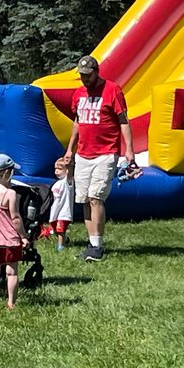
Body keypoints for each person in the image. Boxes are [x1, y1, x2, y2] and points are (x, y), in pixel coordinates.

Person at [63, 54, 133, 262]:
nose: (85, 79)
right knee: (84, 199)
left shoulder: (112, 90)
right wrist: (70, 149)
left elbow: (123, 121)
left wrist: (129, 149)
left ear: (96, 72)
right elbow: (77, 122)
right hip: (83, 153)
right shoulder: (78, 94)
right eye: (82, 75)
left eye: (88, 74)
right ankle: (93, 244)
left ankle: (97, 245)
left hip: (106, 152)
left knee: (96, 197)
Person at [0, 152, 28, 309]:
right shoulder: (10, 194)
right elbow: (15, 218)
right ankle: (11, 302)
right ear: (7, 173)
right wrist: (23, 236)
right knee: (12, 272)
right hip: (10, 240)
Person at [46, 156, 74, 251]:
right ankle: (65, 240)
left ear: (66, 171)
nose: (56, 171)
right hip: (55, 211)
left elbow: (70, 174)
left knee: (60, 229)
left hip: (64, 212)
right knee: (55, 229)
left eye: (60, 169)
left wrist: (69, 166)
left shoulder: (67, 182)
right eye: (56, 169)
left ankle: (60, 246)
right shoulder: (57, 183)